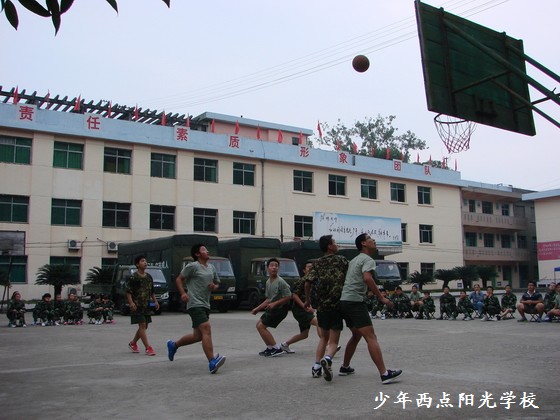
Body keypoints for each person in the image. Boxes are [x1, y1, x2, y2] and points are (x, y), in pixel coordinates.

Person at [337, 233, 402, 384]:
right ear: (363, 243)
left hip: (345, 301)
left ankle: (345, 367)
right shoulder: (368, 260)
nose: (374, 240)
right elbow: (367, 278)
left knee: (356, 335)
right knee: (371, 337)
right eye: (370, 239)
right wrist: (382, 297)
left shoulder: (354, 260)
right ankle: (384, 374)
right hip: (355, 302)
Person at [166, 244, 226, 373]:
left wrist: (214, 286)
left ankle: (174, 345)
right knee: (206, 329)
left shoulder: (211, 267)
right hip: (194, 303)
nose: (207, 251)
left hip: (205, 304)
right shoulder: (193, 266)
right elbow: (179, 279)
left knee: (197, 336)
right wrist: (183, 293)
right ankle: (212, 362)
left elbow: (217, 283)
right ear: (197, 254)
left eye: (206, 249)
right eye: (204, 250)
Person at [303, 235, 349, 379]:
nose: (336, 244)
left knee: (323, 338)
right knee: (334, 341)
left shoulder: (317, 263)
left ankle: (316, 367)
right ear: (329, 246)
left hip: (322, 306)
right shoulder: (341, 260)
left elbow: (307, 283)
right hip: (336, 305)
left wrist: (308, 300)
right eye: (334, 242)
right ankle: (328, 359)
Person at [251, 258, 292, 358]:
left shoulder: (281, 281)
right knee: (258, 325)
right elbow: (269, 299)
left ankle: (276, 348)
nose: (274, 267)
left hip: (280, 309)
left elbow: (288, 296)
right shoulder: (268, 282)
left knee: (261, 326)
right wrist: (258, 308)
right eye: (272, 265)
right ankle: (270, 348)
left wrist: (275, 304)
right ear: (267, 268)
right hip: (272, 308)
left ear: (278, 268)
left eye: (276, 266)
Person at [280, 262, 321, 354]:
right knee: (319, 322)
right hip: (299, 310)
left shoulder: (315, 282)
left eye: (313, 267)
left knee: (304, 334)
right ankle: (328, 344)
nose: (311, 269)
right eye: (309, 267)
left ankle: (284, 345)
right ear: (304, 270)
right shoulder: (302, 281)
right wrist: (304, 306)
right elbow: (294, 295)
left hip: (307, 310)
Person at [127, 255, 159, 356]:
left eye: (145, 261)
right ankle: (148, 348)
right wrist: (131, 303)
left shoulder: (149, 277)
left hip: (146, 305)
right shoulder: (133, 277)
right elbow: (128, 292)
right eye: (142, 261)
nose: (145, 262)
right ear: (137, 264)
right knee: (142, 325)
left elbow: (152, 291)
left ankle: (133, 343)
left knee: (145, 326)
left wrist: (155, 301)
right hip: (137, 306)